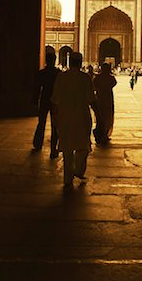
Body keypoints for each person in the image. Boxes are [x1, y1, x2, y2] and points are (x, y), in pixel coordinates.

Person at [51, 52, 94, 187]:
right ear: (80, 63)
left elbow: (54, 99)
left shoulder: (62, 77)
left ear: (69, 62)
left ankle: (68, 179)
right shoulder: (85, 78)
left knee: (67, 149)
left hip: (65, 116)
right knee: (83, 147)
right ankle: (78, 170)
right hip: (82, 116)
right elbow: (91, 99)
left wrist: (55, 117)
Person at [32, 48, 60, 158]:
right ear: (54, 60)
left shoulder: (42, 73)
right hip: (55, 101)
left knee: (41, 123)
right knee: (55, 125)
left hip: (44, 99)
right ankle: (53, 149)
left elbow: (36, 88)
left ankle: (38, 143)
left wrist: (34, 100)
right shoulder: (58, 73)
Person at [93, 63, 117, 145]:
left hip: (99, 98)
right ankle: (105, 135)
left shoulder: (97, 78)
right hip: (108, 99)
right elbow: (114, 83)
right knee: (108, 117)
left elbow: (94, 85)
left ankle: (100, 135)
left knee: (100, 117)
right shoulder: (111, 78)